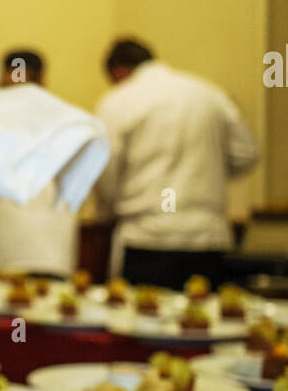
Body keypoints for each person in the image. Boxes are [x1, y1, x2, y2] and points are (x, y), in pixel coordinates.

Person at [92, 38, 259, 286]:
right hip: (208, 236)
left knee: (142, 318)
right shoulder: (209, 93)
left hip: (146, 237)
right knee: (202, 320)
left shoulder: (118, 100)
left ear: (118, 72)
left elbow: (104, 168)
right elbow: (247, 154)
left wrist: (108, 211)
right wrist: (207, 173)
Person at [0, 50, 79, 276]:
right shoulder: (69, 121)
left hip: (3, 253)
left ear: (0, 80)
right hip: (53, 253)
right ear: (43, 80)